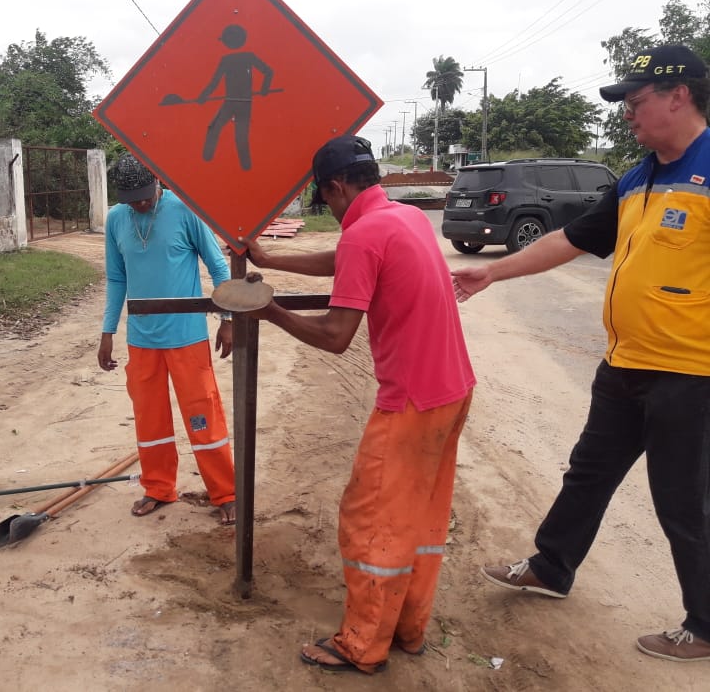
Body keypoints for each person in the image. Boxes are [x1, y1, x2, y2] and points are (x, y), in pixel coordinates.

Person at [452, 44, 710, 662]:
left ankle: (704, 624)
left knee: (683, 501)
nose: (626, 112)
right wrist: (497, 273)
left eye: (636, 100)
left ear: (680, 96)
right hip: (626, 362)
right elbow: (573, 238)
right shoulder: (638, 176)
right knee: (588, 472)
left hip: (690, 373)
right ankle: (551, 567)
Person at [241, 134, 475, 674]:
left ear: (337, 186)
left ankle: (362, 644)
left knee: (371, 520)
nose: (333, 208)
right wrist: (274, 258)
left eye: (328, 199)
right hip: (453, 389)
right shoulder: (402, 218)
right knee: (420, 517)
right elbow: (347, 257)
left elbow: (335, 336)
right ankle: (409, 629)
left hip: (411, 401)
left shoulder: (365, 235)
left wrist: (269, 310)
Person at [98, 154, 237, 526]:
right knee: (150, 419)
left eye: (145, 196)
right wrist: (107, 331)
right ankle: (158, 487)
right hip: (142, 340)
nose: (141, 205)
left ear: (157, 182)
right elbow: (116, 279)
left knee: (203, 417)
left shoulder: (184, 211)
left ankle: (225, 492)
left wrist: (228, 318)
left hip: (187, 337)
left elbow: (218, 266)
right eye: (133, 200)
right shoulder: (116, 220)